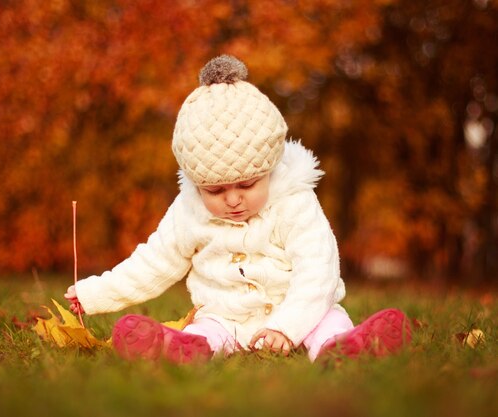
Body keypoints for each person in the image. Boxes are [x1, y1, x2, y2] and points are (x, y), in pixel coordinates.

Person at [65, 55, 411, 364]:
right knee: (207, 331)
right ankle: (180, 350)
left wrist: (287, 326)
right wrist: (93, 294)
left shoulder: (293, 200)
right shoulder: (189, 210)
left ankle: (342, 348)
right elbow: (154, 262)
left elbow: (317, 269)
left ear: (270, 168)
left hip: (301, 311)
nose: (232, 200)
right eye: (215, 190)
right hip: (225, 316)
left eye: (247, 185)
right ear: (196, 182)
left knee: (328, 321)